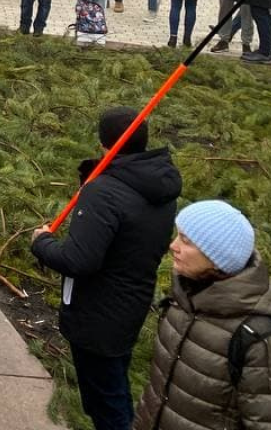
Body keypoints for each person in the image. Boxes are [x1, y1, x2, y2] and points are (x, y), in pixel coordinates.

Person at [31, 108, 183, 430]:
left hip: (98, 312)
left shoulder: (104, 191)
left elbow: (79, 260)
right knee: (112, 388)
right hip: (129, 304)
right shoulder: (157, 185)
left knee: (107, 401)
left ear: (103, 142)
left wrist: (42, 243)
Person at [133, 199, 269, 430]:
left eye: (186, 241)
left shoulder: (254, 336)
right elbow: (158, 388)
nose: (173, 246)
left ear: (217, 258)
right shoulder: (181, 301)